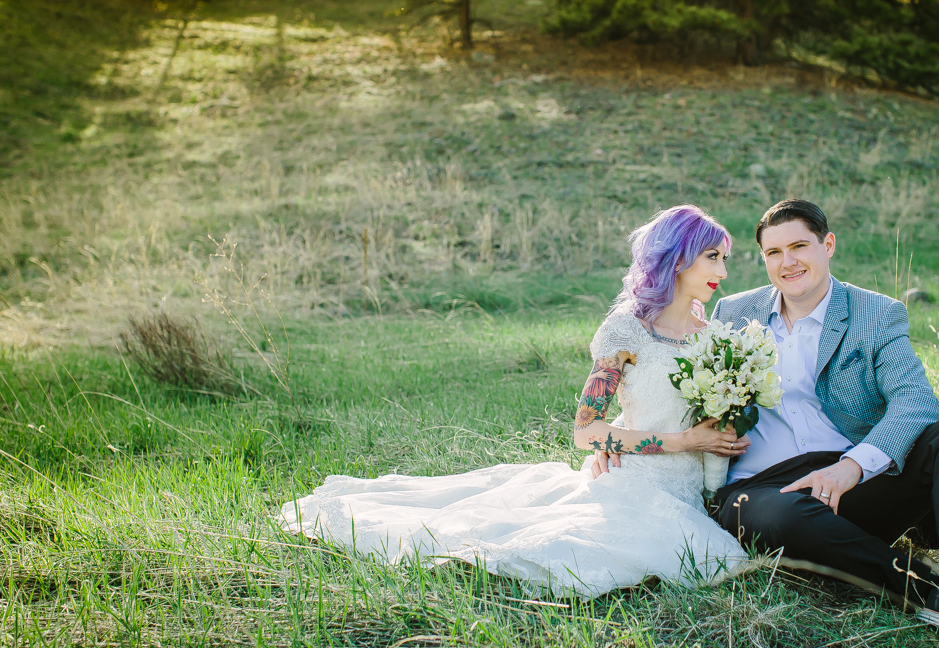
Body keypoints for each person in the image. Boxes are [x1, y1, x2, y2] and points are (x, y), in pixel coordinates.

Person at [279, 205, 754, 598]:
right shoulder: (625, 332)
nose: (723, 272)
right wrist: (681, 440)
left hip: (691, 491)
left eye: (724, 259)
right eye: (712, 256)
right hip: (635, 484)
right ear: (678, 257)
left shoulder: (713, 338)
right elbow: (587, 431)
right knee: (580, 554)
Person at [704, 199, 939, 636]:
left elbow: (916, 401)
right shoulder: (733, 314)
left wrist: (851, 467)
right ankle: (937, 594)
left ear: (827, 244)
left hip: (851, 480)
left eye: (799, 247)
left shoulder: (876, 313)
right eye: (773, 253)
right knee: (776, 516)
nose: (787, 263)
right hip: (766, 489)